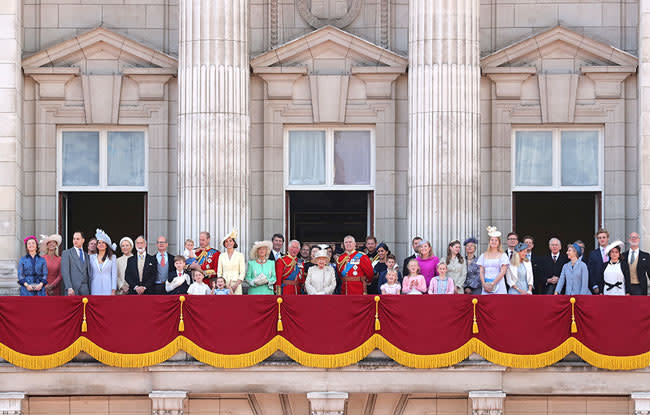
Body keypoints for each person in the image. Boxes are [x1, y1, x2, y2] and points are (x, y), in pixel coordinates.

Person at [477, 226, 509, 295]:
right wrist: (484, 284)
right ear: (489, 242)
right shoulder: (483, 255)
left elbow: (503, 272)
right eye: (492, 240)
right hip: (486, 284)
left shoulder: (503, 255)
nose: (494, 242)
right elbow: (481, 271)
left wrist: (493, 284)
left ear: (499, 242)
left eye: (496, 240)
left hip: (499, 284)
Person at [61, 231, 91, 296]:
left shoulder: (87, 255)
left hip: (85, 290)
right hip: (72, 289)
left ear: (83, 240)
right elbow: (65, 272)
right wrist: (69, 287)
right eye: (74, 239)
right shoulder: (67, 253)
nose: (75, 241)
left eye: (78, 239)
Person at [216, 229, 246, 295]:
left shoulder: (240, 255)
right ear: (224, 244)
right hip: (224, 285)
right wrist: (223, 284)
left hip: (236, 284)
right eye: (226, 241)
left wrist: (236, 285)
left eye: (230, 241)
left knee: (237, 303)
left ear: (234, 242)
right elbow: (219, 272)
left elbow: (242, 272)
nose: (229, 243)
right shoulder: (221, 256)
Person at [89, 229, 117, 295]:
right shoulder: (91, 257)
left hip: (108, 287)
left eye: (103, 242)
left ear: (106, 245)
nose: (101, 244)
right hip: (94, 287)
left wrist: (113, 290)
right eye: (99, 243)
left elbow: (114, 275)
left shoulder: (112, 257)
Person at [588, 228, 610, 295]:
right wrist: (594, 285)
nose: (602, 239)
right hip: (598, 287)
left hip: (611, 285)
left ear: (607, 238)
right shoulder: (593, 254)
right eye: (599, 238)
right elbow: (591, 271)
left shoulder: (613, 252)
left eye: (604, 237)